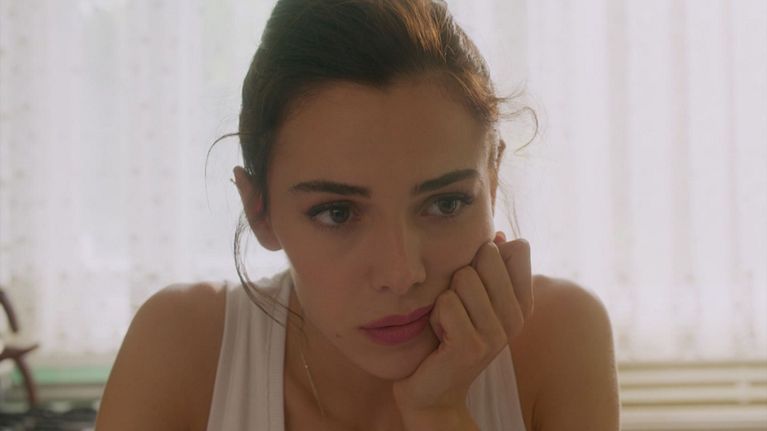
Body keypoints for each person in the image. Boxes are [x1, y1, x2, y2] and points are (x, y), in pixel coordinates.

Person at [95, 0, 620, 430]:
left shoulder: (558, 339)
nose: (401, 273)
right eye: (337, 213)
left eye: (446, 203)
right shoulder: (182, 347)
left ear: (494, 179)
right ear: (260, 211)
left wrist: (439, 413)